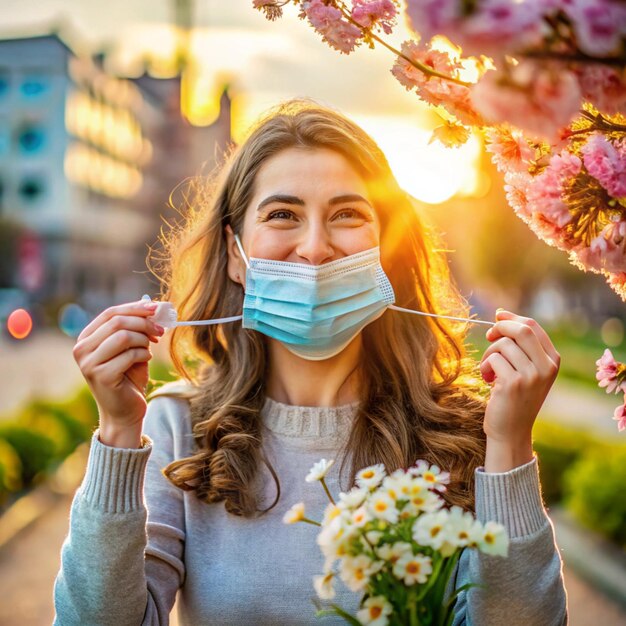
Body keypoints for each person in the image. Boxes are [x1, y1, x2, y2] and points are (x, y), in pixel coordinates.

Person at [53, 98, 568, 625]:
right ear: (236, 254)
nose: (316, 247)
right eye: (282, 215)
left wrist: (508, 445)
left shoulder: (466, 433)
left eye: (347, 214)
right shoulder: (177, 427)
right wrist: (118, 431)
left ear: (384, 248)